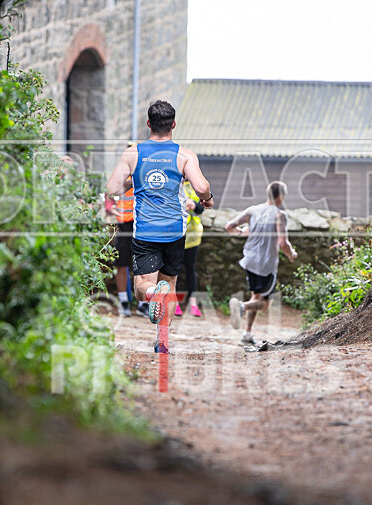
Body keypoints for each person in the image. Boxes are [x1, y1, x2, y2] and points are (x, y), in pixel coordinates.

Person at [106, 100, 214, 354]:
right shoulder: (185, 155)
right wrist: (206, 200)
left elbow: (112, 189)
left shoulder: (133, 154)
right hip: (175, 230)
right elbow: (201, 187)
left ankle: (154, 292)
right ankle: (163, 342)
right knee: (171, 284)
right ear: (173, 125)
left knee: (143, 286)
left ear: (148, 124)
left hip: (145, 230)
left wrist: (134, 181)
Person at [225, 181, 297, 344]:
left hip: (249, 259)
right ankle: (241, 307)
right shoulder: (280, 215)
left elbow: (229, 226)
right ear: (280, 197)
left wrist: (242, 233)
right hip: (266, 264)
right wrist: (292, 255)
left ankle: (247, 333)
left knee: (255, 296)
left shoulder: (253, 210)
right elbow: (283, 243)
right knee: (264, 304)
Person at [105, 186, 149, 317]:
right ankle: (123, 303)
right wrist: (110, 206)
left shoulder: (146, 169)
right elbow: (110, 190)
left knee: (144, 264)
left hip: (143, 221)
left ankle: (143, 304)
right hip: (124, 223)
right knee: (121, 264)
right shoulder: (124, 171)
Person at [175, 180, 204, 317]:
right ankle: (174, 303)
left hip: (193, 236)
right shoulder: (172, 182)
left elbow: (201, 209)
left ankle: (193, 304)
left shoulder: (195, 185)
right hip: (175, 235)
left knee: (191, 270)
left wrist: (194, 205)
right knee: (174, 271)